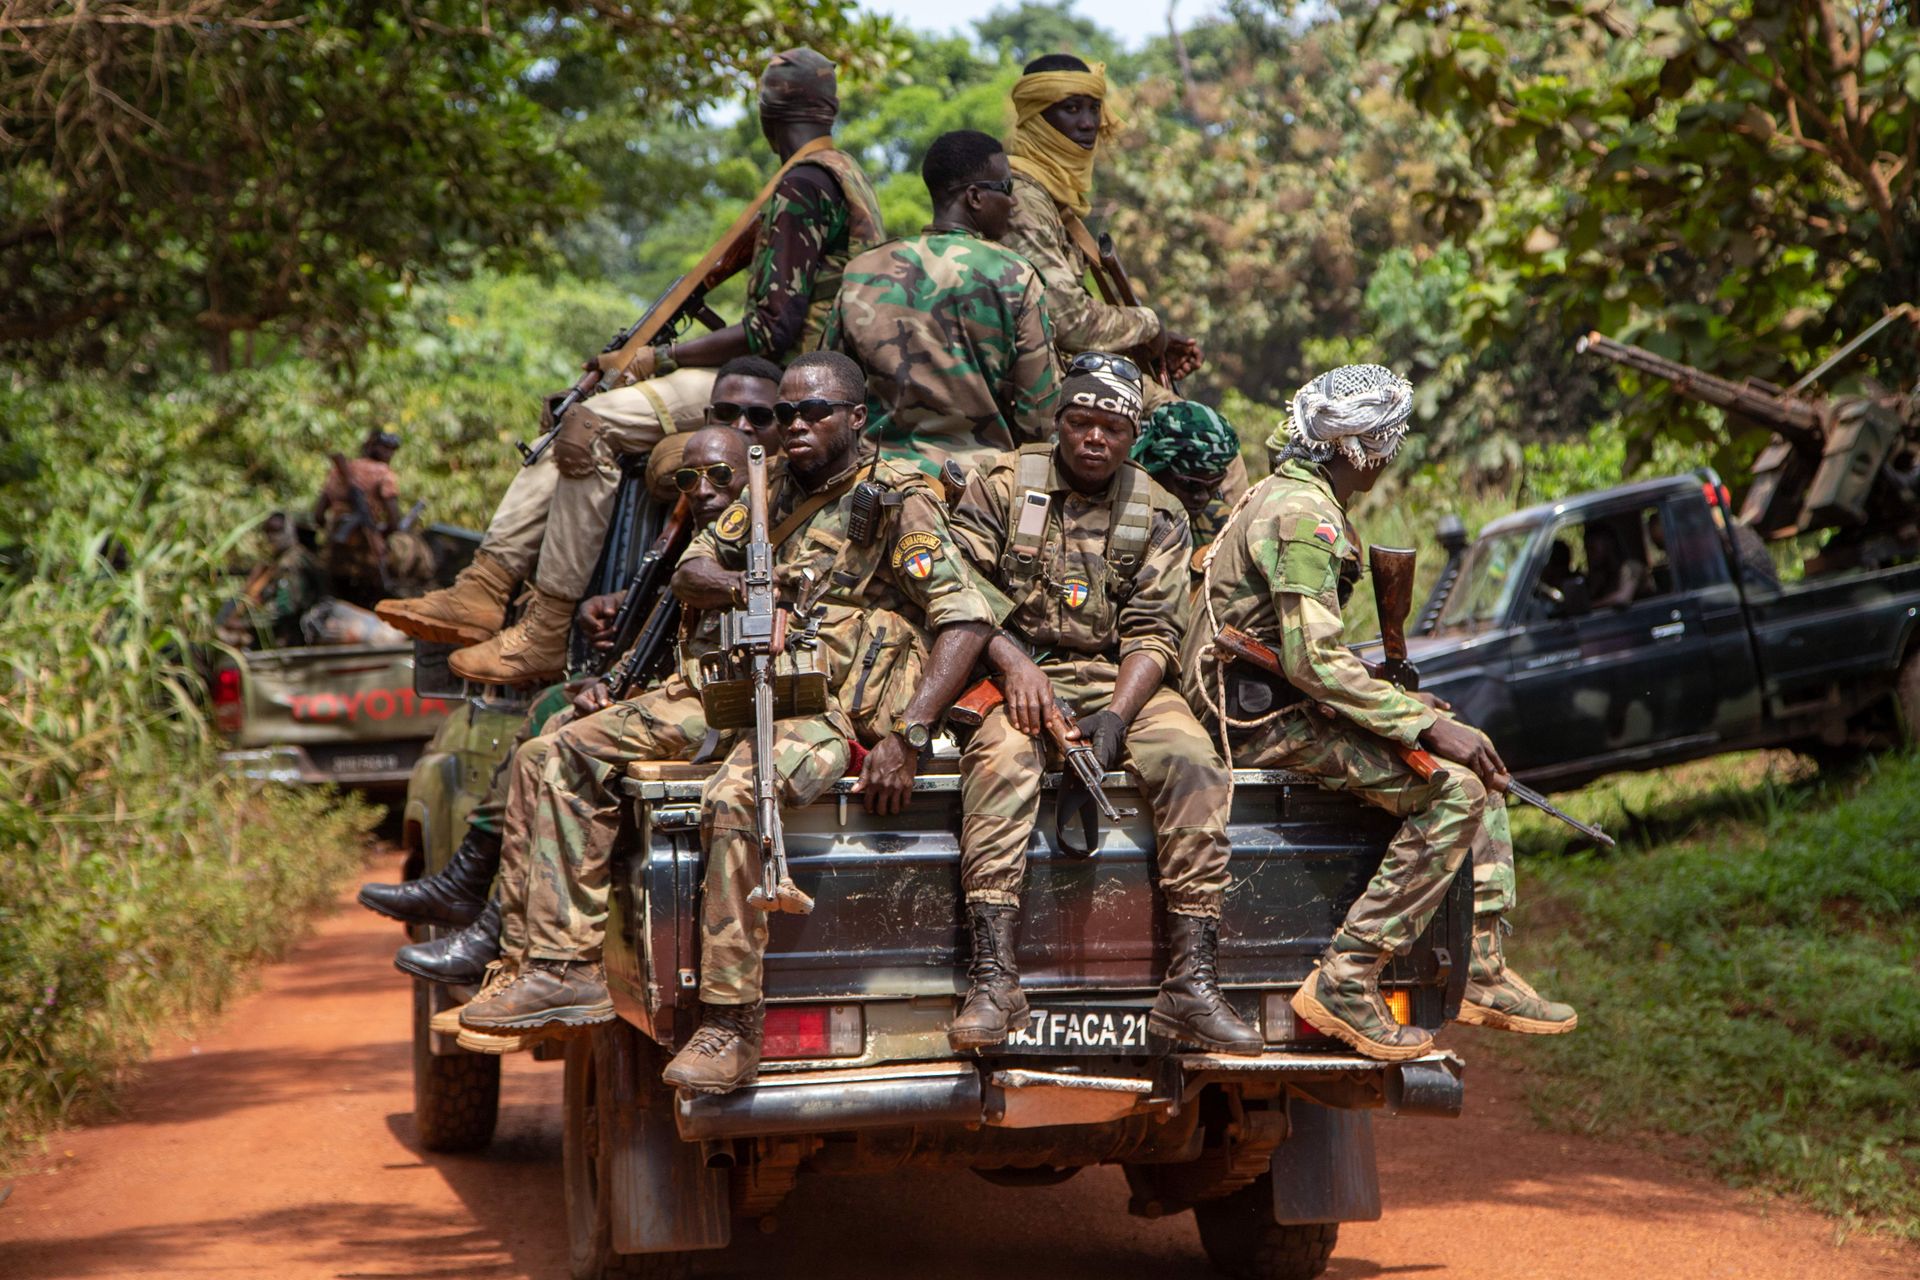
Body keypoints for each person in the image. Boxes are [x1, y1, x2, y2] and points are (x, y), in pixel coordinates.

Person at [472, 351, 996, 1094]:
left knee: (736, 798)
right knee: (556, 753)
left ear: (856, 418)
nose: (795, 425)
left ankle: (731, 1025)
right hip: (725, 686)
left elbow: (965, 619)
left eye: (814, 412)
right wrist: (750, 584)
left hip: (823, 707)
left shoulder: (894, 496)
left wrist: (909, 734)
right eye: (785, 413)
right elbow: (690, 571)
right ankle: (561, 968)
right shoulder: (764, 483)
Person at [375, 48, 886, 687]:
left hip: (780, 378)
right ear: (828, 109)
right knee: (574, 424)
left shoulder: (801, 184)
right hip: (809, 373)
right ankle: (486, 584)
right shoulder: (842, 174)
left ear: (766, 114)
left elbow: (770, 328)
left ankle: (543, 628)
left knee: (590, 425)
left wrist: (654, 356)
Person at [1181, 363, 1576, 1062]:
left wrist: (1406, 706)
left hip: (1271, 703)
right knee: (1452, 787)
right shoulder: (1304, 516)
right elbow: (1313, 664)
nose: (1391, 456)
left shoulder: (1286, 495)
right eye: (1385, 441)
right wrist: (1423, 723)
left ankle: (1481, 966)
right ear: (1354, 448)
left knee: (1472, 756)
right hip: (1260, 725)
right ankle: (1348, 975)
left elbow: (1300, 650)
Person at [355, 361, 788, 957]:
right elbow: (685, 597)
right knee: (553, 715)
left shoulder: (788, 501)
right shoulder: (706, 506)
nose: (708, 483)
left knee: (558, 735)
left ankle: (517, 938)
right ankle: (491, 918)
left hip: (746, 702)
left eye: (758, 418)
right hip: (688, 687)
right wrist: (614, 613)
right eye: (723, 417)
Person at [945, 356, 1261, 1055]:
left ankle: (1192, 984)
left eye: (1111, 427)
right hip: (1013, 671)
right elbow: (959, 596)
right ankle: (995, 981)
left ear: (1131, 434)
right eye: (1080, 422)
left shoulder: (1159, 511)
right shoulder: (1002, 487)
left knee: (1194, 760)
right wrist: (1015, 664)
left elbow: (1155, 629)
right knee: (999, 758)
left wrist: (1117, 716)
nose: (1094, 438)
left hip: (1119, 678)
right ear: (1058, 422)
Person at [998, 54, 1250, 504]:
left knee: (1209, 434)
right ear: (1036, 116)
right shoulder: (1024, 198)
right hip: (1040, 387)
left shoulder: (1055, 200)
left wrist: (1146, 346)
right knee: (1201, 441)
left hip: (1073, 374)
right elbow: (1068, 320)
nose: (1088, 123)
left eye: (1092, 108)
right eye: (1070, 109)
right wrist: (1148, 326)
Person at [820, 129, 1060, 475]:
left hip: (877, 482)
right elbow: (1039, 419)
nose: (1014, 202)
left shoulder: (861, 272)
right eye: (1007, 188)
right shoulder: (1015, 275)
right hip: (979, 492)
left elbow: (832, 389)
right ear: (975, 197)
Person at [315, 428, 434, 603]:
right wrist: (377, 534)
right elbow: (394, 522)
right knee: (416, 549)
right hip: (367, 560)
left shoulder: (338, 471)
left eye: (392, 450)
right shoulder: (383, 474)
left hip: (333, 555)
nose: (389, 454)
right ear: (372, 447)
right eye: (386, 449)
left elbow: (318, 516)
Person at [1129, 395, 1242, 565]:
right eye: (1191, 485)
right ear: (1156, 470)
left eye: (1214, 486)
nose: (1202, 497)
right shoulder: (1121, 519)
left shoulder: (1222, 523)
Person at [218, 511, 325, 649]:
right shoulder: (279, 561)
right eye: (268, 531)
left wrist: (247, 623)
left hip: (290, 637)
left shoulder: (291, 563)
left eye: (276, 531)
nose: (272, 537)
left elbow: (284, 607)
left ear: (289, 530)